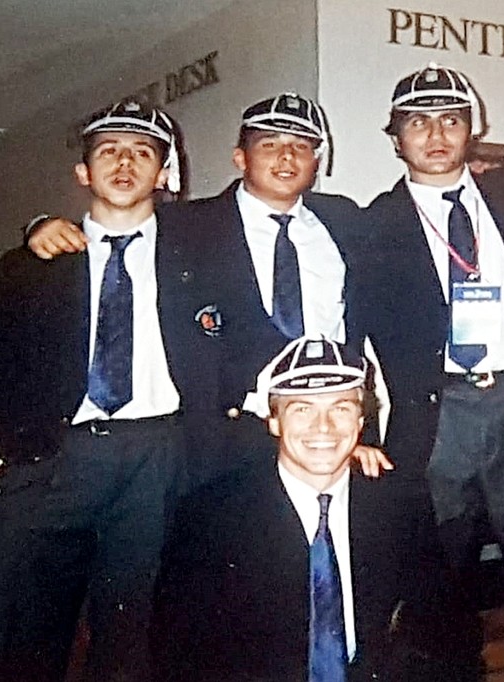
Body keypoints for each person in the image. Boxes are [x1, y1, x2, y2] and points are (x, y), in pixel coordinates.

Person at [0, 99, 205, 682]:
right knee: (18, 637)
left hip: (155, 459)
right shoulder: (31, 263)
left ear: (166, 173)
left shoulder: (197, 254)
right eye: (109, 152)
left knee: (131, 635)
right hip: (50, 459)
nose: (125, 163)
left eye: (143, 152)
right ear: (83, 173)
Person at [24, 93, 383, 489]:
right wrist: (39, 227)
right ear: (240, 158)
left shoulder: (346, 221)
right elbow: (114, 220)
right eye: (269, 145)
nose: (286, 158)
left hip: (325, 430)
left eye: (300, 147)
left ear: (317, 162)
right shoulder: (185, 225)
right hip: (223, 435)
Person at [362, 62, 504, 682]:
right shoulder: (372, 225)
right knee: (433, 580)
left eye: (451, 121)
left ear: (474, 130)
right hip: (439, 412)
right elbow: (344, 333)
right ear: (396, 136)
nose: (436, 134)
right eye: (418, 122)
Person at [151, 336, 447, 681]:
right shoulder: (211, 520)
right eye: (303, 409)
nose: (324, 427)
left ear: (361, 421)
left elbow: (444, 635)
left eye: (341, 408)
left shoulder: (401, 505)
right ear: (274, 421)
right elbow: (180, 655)